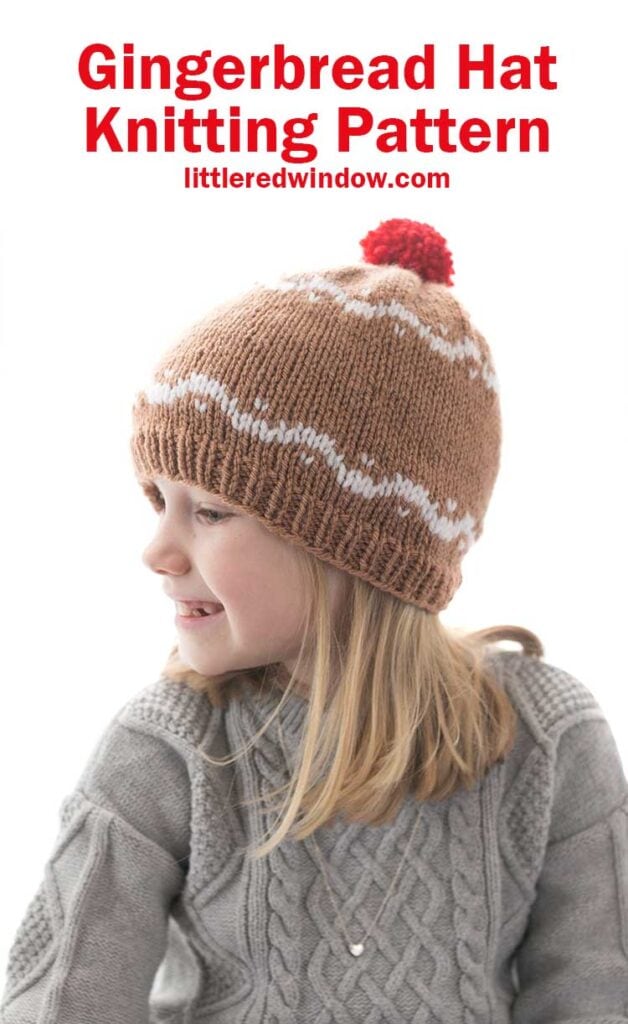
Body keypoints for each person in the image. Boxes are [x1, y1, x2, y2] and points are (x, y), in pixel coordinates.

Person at [2, 218, 627, 1023]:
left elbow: (595, 992)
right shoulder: (168, 748)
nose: (157, 549)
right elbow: (61, 1002)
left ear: (353, 549)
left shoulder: (547, 738)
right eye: (159, 501)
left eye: (212, 511)